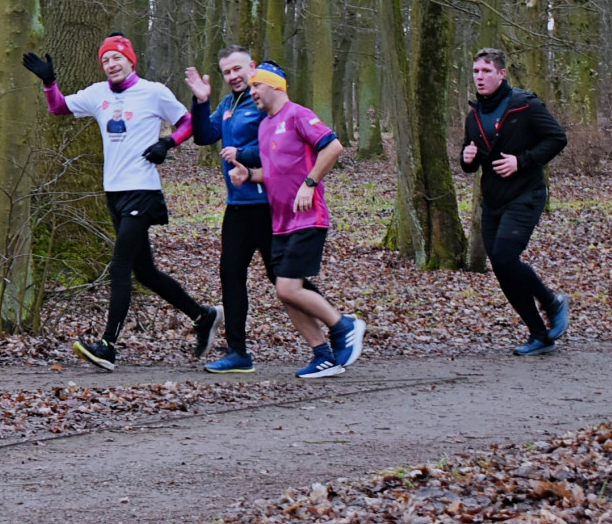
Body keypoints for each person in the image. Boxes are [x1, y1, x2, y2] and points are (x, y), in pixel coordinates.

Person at [22, 32, 223, 371]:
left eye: (117, 58)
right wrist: (49, 81)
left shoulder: (154, 92)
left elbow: (187, 122)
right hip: (113, 191)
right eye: (105, 60)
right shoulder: (97, 94)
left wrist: (167, 144)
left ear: (131, 60)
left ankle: (108, 346)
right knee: (144, 271)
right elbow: (58, 108)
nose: (111, 64)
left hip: (142, 190)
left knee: (119, 267)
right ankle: (202, 316)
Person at [185, 46, 334, 374]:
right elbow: (204, 136)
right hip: (237, 206)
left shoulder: (265, 104)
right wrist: (200, 100)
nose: (233, 76)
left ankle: (337, 326)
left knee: (283, 280)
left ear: (251, 67)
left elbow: (276, 148)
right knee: (231, 276)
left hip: (269, 205)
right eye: (227, 72)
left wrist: (244, 154)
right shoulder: (227, 105)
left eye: (238, 68)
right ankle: (238, 352)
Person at [227, 61, 365, 379]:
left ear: (274, 85)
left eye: (256, 87)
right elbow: (271, 173)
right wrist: (248, 175)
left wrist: (310, 182)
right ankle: (323, 355)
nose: (252, 93)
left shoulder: (298, 115)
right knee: (285, 290)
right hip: (280, 222)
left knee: (288, 288)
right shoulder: (264, 127)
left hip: (308, 217)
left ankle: (344, 325)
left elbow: (333, 146)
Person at [460, 47, 570, 356]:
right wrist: (467, 158)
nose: (480, 78)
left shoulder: (525, 106)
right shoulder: (475, 115)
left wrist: (521, 161)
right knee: (501, 266)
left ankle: (552, 302)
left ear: (501, 74)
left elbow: (557, 138)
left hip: (526, 194)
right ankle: (539, 335)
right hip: (492, 201)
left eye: (486, 71)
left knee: (506, 257)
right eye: (476, 72)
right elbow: (471, 159)